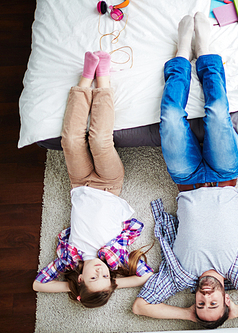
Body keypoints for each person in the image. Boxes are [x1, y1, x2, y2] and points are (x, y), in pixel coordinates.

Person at [132, 13, 238, 328]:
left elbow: (140, 306)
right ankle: (204, 50)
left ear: (194, 301)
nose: (206, 296)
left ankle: (181, 53)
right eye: (213, 303)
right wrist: (237, 312)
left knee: (170, 118)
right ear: (225, 300)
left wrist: (184, 315)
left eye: (200, 304)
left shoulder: (179, 275)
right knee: (218, 114)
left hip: (187, 180)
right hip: (224, 176)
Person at [32, 51, 154, 308]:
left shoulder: (68, 259)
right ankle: (104, 80)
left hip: (79, 183)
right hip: (109, 185)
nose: (99, 270)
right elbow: (146, 276)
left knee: (71, 141)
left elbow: (38, 284)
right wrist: (113, 282)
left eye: (92, 277)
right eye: (104, 276)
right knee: (99, 140)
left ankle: (85, 80)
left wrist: (73, 286)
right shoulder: (116, 257)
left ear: (80, 278)